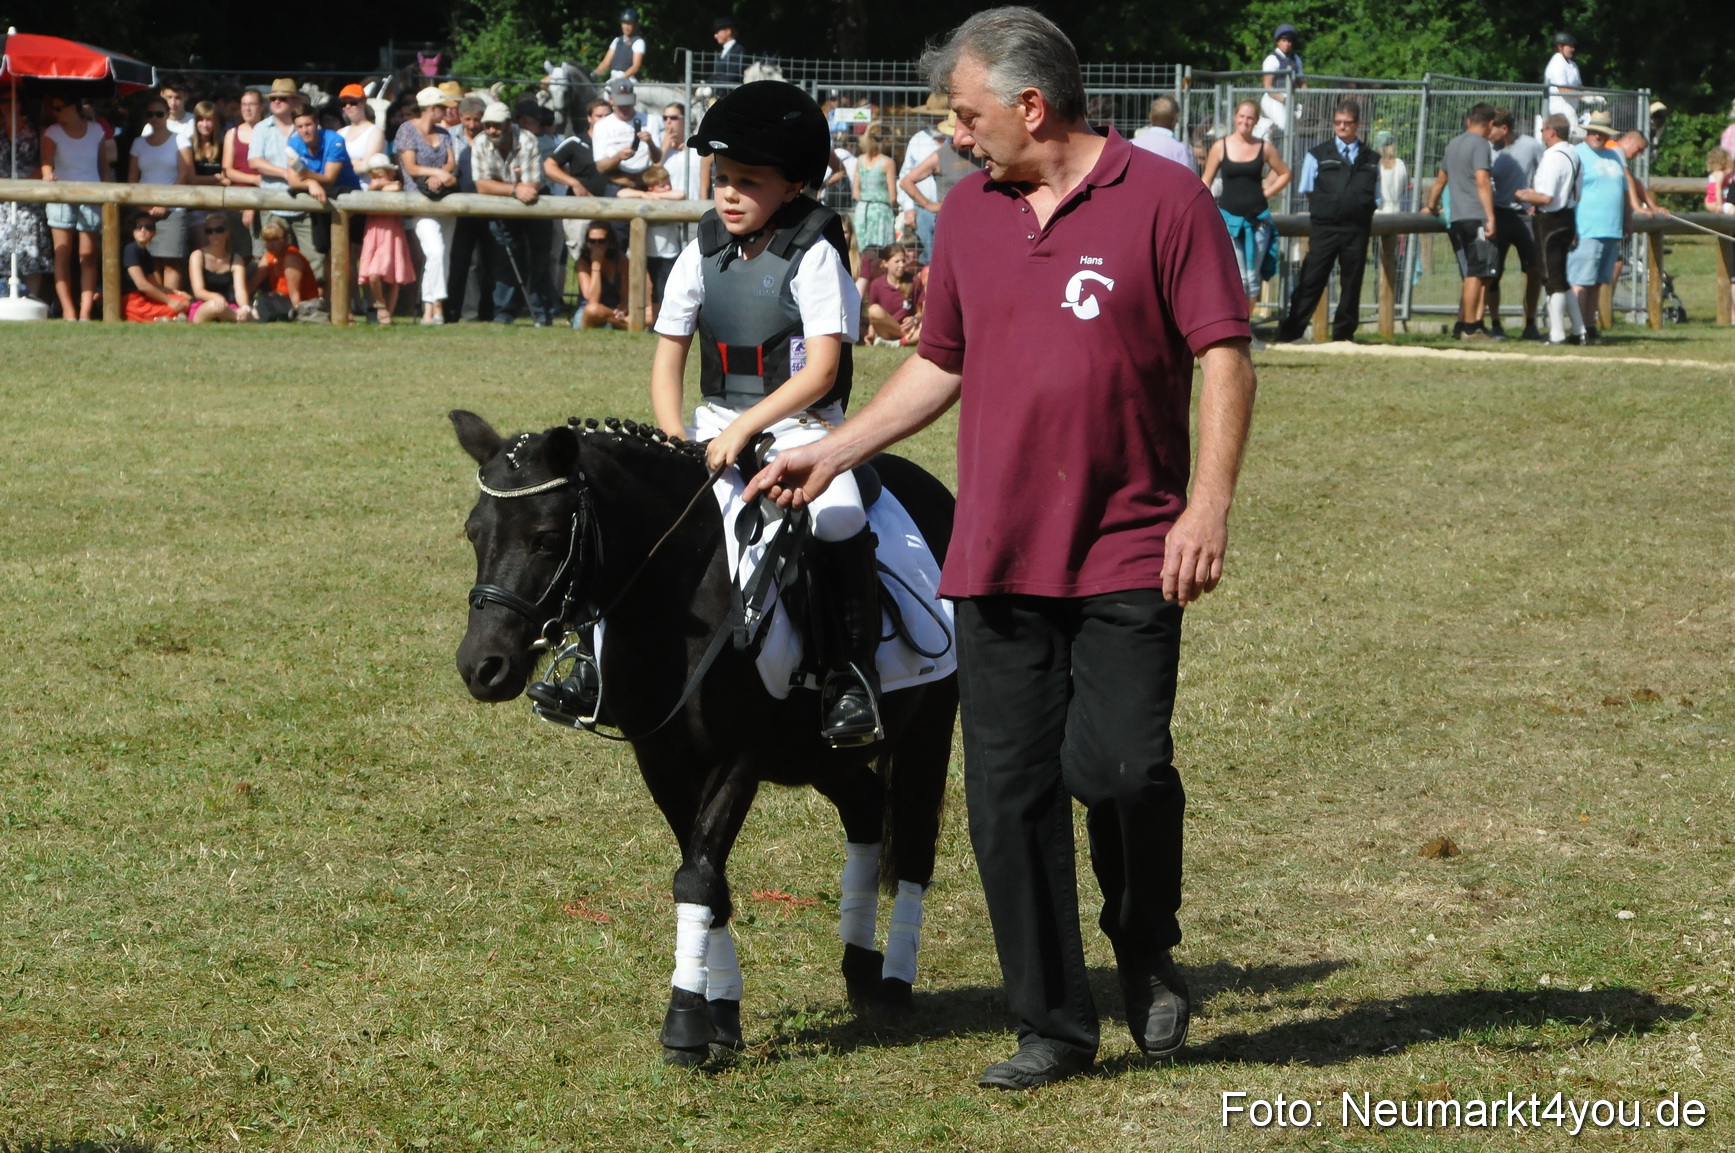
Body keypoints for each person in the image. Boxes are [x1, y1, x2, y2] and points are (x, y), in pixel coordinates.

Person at [748, 8, 1255, 1091]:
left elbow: (1223, 357)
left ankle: (1144, 940)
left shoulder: (1165, 200)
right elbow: (940, 365)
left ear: (1032, 105)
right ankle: (1052, 1024)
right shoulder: (970, 216)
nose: (956, 136)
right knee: (1008, 795)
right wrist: (833, 451)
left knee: (1117, 771)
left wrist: (1205, 505)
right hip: (993, 555)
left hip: (1129, 544)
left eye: (968, 114)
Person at [649, 80, 876, 747]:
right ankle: (596, 659)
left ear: (795, 187)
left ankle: (847, 676)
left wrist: (749, 427)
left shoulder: (815, 256)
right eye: (721, 177)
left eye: (747, 181)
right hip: (711, 426)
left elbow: (822, 370)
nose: (726, 193)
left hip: (803, 432)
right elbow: (669, 357)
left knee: (839, 517)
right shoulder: (700, 251)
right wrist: (671, 440)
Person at [1275, 100, 1378, 344]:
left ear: (1357, 125)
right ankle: (1292, 333)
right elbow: (1307, 189)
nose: (1342, 127)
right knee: (1311, 280)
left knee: (1352, 283)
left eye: (1347, 123)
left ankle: (1344, 335)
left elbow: (1377, 195)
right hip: (1325, 228)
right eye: (1338, 123)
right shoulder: (1317, 155)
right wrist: (1330, 207)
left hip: (1357, 229)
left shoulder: (1372, 158)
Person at [1200, 98, 1290, 329]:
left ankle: (1246, 329)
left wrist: (1268, 191)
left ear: (1256, 121)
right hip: (1230, 222)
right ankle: (1235, 327)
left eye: (1250, 118)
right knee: (1239, 278)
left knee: (1252, 279)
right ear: (1234, 117)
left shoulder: (1264, 147)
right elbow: (1206, 181)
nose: (1245, 121)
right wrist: (1203, 209)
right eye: (1241, 116)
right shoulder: (1221, 146)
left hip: (1258, 221)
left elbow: (1284, 173)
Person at [471, 101, 556, 326]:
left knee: (539, 258)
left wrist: (506, 187)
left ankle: (542, 312)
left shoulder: (527, 139)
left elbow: (533, 184)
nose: (491, 131)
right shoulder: (480, 142)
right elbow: (481, 185)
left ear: (509, 124)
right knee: (505, 259)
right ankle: (504, 312)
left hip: (534, 203)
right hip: (504, 201)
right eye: (487, 126)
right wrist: (514, 188)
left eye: (496, 126)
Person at [1423, 103, 1501, 341]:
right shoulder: (1480, 145)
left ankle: (1466, 324)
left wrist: (1432, 206)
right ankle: (1470, 326)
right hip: (1475, 215)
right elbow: (1482, 180)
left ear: (1469, 120)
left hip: (1456, 217)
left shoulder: (1453, 143)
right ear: (1490, 124)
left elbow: (1439, 181)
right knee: (1476, 273)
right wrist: (1490, 217)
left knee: (1472, 271)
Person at [1570, 111, 1643, 343]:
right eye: (1593, 131)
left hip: (1611, 229)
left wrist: (1627, 221)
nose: (1597, 136)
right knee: (1580, 281)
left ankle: (1590, 326)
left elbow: (1623, 190)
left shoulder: (1614, 156)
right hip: (1585, 228)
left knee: (1598, 282)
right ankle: (1577, 328)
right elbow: (1568, 192)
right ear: (1586, 132)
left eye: (1602, 132)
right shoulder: (1576, 155)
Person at [1513, 114, 1585, 345]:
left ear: (1552, 131)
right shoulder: (1574, 154)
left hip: (1550, 220)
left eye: (1544, 130)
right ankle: (1578, 329)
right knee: (1561, 276)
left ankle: (1557, 334)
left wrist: (1523, 195)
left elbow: (1546, 196)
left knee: (1550, 277)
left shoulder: (1553, 157)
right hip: (1568, 216)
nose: (1542, 134)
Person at [41, 94, 114, 321]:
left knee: (88, 255)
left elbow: (104, 167)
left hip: (92, 195)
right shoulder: (51, 132)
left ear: (74, 107)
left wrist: (108, 193)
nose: (56, 112)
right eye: (54, 108)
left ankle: (85, 311)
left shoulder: (96, 131)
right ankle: (69, 311)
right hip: (61, 196)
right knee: (62, 253)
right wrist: (48, 176)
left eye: (59, 107)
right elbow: (45, 166)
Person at [249, 79, 323, 284]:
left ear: (294, 101)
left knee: (314, 256)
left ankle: (316, 303)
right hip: (273, 201)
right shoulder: (262, 128)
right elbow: (254, 161)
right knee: (272, 259)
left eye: (282, 98)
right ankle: (275, 301)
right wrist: (285, 173)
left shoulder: (305, 126)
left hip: (305, 200)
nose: (276, 102)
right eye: (273, 98)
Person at [397, 87, 459, 325]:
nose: (446, 111)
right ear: (431, 108)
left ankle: (436, 309)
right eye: (442, 107)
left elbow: (451, 161)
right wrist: (437, 173)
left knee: (444, 256)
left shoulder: (443, 133)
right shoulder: (407, 130)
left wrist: (440, 176)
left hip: (445, 199)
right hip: (419, 200)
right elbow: (411, 168)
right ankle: (428, 307)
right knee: (435, 251)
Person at [1486, 107, 1546, 341]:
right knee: (1493, 272)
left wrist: (1536, 199)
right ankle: (1495, 323)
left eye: (1492, 129)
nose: (1488, 134)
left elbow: (1545, 174)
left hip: (1525, 216)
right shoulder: (1488, 150)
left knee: (1534, 270)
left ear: (1504, 128)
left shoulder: (1531, 146)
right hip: (1498, 215)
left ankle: (1530, 322)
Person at [288, 105, 363, 282]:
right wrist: (310, 182)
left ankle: (357, 305)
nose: (304, 130)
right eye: (300, 126)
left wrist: (306, 176)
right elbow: (292, 180)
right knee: (327, 252)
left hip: (347, 197)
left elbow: (330, 177)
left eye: (308, 125)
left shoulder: (334, 140)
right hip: (321, 199)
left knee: (350, 254)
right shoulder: (293, 143)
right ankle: (332, 304)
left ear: (317, 123)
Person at [127, 94, 194, 293]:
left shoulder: (180, 139)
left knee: (171, 260)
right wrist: (145, 207)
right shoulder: (138, 143)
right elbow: (132, 180)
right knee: (151, 259)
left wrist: (165, 203)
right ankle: (158, 305)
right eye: (150, 114)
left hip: (173, 208)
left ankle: (173, 305)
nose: (155, 118)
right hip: (144, 208)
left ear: (167, 115)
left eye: (159, 113)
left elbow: (184, 175)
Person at [0, 87, 54, 302]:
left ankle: (31, 298)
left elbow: (46, 163)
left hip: (29, 194)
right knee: (3, 245)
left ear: (20, 103)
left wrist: (23, 185)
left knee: (30, 246)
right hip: (2, 196)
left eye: (11, 100)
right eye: (2, 100)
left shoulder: (37, 130)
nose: (6, 104)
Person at [615, 162, 685, 322]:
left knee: (664, 289)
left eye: (668, 183)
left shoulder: (669, 198)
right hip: (646, 254)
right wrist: (643, 195)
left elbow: (680, 194)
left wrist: (658, 196)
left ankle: (661, 321)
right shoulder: (644, 198)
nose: (667, 187)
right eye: (662, 185)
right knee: (648, 289)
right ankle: (651, 320)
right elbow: (621, 194)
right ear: (650, 187)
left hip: (668, 253)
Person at [899, 113, 985, 238]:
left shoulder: (981, 152)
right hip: (951, 222)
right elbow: (906, 182)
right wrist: (928, 205)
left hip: (979, 219)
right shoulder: (941, 155)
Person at [355, 154, 416, 324]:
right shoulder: (370, 190)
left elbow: (395, 188)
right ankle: (380, 304)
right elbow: (368, 194)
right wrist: (376, 186)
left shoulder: (395, 185)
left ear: (390, 174)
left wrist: (379, 186)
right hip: (374, 232)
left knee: (394, 275)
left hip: (392, 232)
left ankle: (388, 313)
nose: (376, 180)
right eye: (373, 176)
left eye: (380, 175)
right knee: (373, 273)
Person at [447, 94, 492, 322]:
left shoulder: (491, 137)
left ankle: (487, 309)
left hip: (490, 205)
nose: (472, 125)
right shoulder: (451, 137)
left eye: (477, 119)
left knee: (488, 259)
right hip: (461, 205)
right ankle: (466, 311)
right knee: (465, 260)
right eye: (468, 119)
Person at [186, 210, 247, 321]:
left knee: (250, 311)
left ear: (227, 232)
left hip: (227, 305)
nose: (214, 234)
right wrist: (215, 297)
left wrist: (244, 307)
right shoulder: (198, 256)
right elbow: (198, 291)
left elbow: (240, 291)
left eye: (219, 230)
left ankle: (237, 316)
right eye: (209, 231)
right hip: (203, 305)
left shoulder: (235, 259)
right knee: (215, 306)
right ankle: (237, 318)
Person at [221, 88, 264, 246]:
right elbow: (227, 170)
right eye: (244, 104)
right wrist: (254, 179)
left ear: (261, 107)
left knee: (261, 253)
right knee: (238, 251)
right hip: (236, 198)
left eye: (252, 104)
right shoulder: (232, 133)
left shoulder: (269, 132)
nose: (247, 108)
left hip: (263, 197)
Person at [573, 223, 630, 328]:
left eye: (601, 241)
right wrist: (596, 264)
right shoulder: (583, 263)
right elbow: (592, 300)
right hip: (589, 311)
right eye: (592, 241)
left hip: (613, 309)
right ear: (587, 243)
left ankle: (618, 322)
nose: (597, 245)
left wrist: (622, 309)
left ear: (609, 242)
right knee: (592, 309)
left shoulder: (620, 260)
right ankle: (625, 324)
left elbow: (625, 295)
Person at [864, 241, 921, 345]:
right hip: (886, 331)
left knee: (926, 329)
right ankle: (906, 339)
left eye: (904, 261)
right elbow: (873, 318)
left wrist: (914, 319)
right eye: (897, 261)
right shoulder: (876, 285)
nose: (902, 265)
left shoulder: (914, 281)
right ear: (885, 263)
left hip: (910, 328)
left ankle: (897, 343)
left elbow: (921, 312)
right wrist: (870, 334)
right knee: (874, 310)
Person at [254, 216, 319, 308]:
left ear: (286, 240)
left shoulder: (291, 257)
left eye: (275, 240)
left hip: (304, 304)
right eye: (267, 240)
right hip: (280, 302)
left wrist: (297, 315)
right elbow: (254, 284)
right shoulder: (268, 256)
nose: (271, 244)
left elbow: (294, 295)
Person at [851, 126, 897, 247]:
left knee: (861, 250)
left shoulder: (860, 160)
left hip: (862, 211)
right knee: (881, 251)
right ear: (883, 140)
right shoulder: (888, 162)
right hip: (880, 212)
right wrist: (895, 209)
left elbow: (855, 193)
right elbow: (892, 196)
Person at [1259, 24, 1304, 140]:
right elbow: (1267, 87)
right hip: (1273, 99)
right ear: (1277, 42)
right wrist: (1284, 100)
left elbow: (1302, 82)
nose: (1287, 44)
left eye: (1289, 41)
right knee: (1286, 127)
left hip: (1290, 100)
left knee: (1290, 130)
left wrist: (1304, 98)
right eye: (1284, 40)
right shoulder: (1272, 59)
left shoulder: (1296, 59)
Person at [1129, 95, 1194, 172]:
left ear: (1150, 117)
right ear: (1176, 119)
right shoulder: (1180, 150)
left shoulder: (1131, 145)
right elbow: (1188, 180)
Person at [595, 9, 647, 81]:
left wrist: (621, 78)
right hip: (613, 78)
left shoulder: (638, 42)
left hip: (628, 79)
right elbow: (606, 62)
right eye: (624, 23)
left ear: (635, 25)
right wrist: (594, 74)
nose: (626, 27)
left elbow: (636, 66)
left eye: (629, 24)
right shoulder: (617, 41)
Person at [1544, 33, 1582, 121]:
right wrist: (1585, 96)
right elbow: (1563, 90)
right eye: (1570, 46)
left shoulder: (1573, 65)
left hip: (1572, 110)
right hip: (1559, 112)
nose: (1573, 49)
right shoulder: (1557, 63)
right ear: (1560, 47)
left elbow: (1580, 86)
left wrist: (1592, 95)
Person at [708, 17, 745, 84]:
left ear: (728, 31)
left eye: (717, 32)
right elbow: (715, 74)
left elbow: (733, 75)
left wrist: (714, 88)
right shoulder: (721, 52)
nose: (715, 36)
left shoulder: (738, 50)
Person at [159, 80, 195, 148]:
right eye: (169, 97)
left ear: (186, 96)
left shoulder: (197, 122)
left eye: (178, 98)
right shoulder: (153, 125)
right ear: (162, 95)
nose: (173, 103)